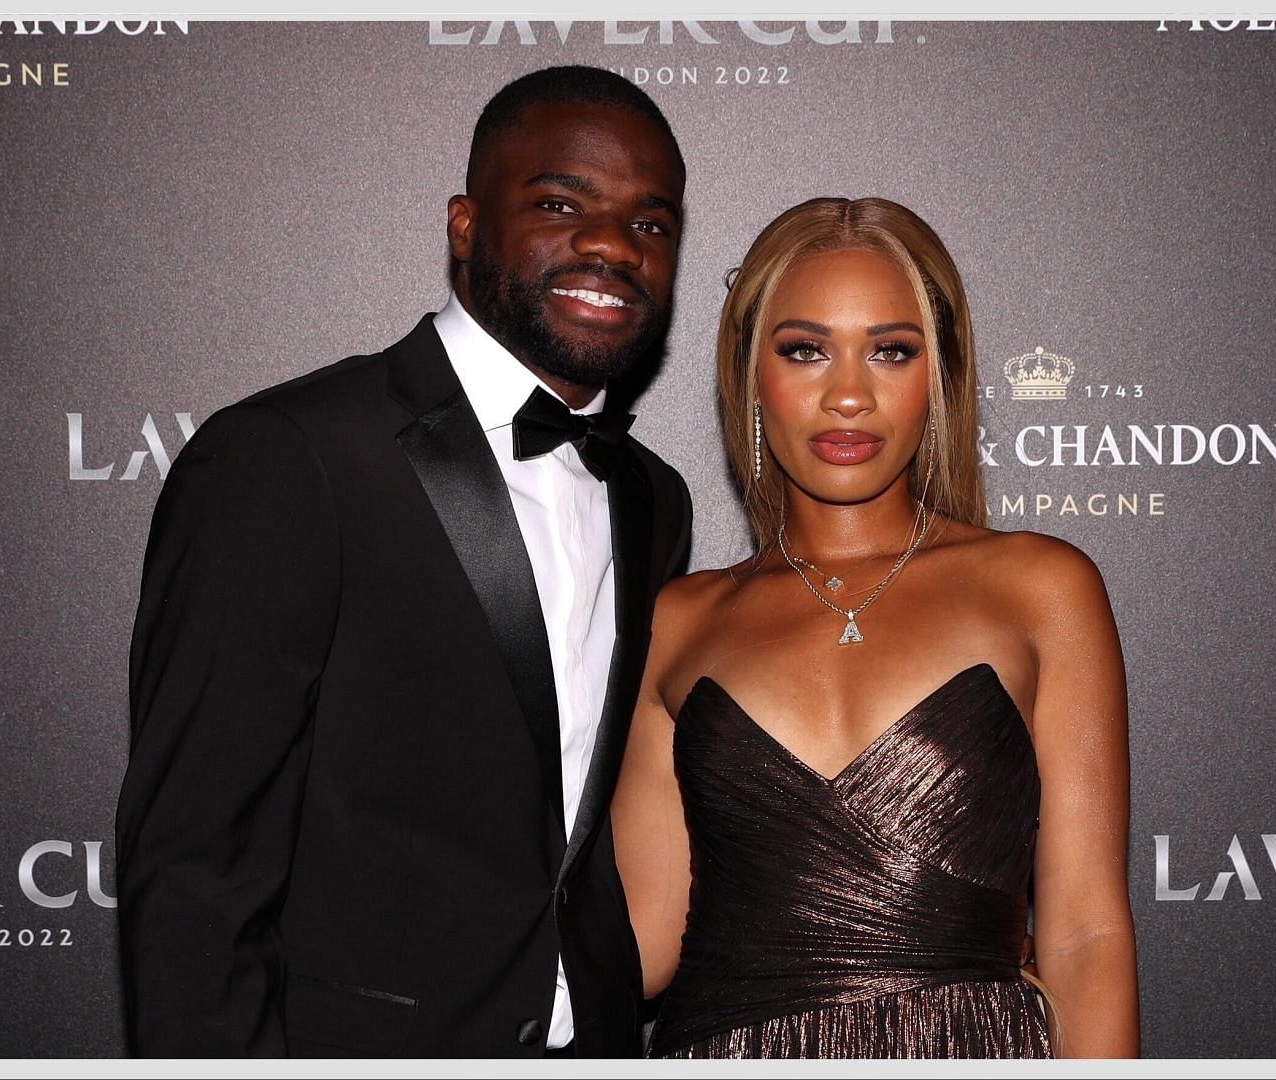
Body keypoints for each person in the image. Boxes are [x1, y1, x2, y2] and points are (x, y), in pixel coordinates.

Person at [114, 66, 692, 1058]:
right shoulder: (291, 457)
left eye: (652, 224)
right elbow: (193, 866)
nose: (611, 245)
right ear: (465, 226)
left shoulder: (652, 497)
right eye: (561, 204)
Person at [612, 197, 1138, 1058]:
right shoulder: (680, 619)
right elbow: (639, 942)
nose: (849, 394)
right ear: (750, 371)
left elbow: (1086, 934)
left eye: (891, 351)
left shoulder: (1042, 588)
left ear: (940, 376)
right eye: (806, 350)